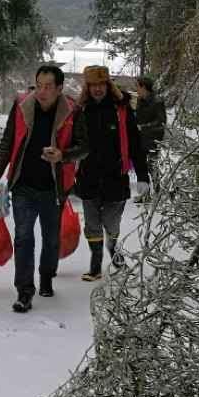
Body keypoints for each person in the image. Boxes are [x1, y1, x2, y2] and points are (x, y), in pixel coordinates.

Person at [0, 64, 87, 313]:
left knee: (51, 239)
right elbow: (8, 143)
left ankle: (46, 276)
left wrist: (62, 155)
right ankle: (24, 291)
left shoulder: (72, 111)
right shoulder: (22, 106)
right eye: (39, 85)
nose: (42, 91)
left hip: (54, 188)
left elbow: (84, 147)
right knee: (23, 237)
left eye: (48, 87)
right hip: (23, 185)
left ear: (60, 88)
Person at [75, 65, 149, 282]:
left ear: (108, 85)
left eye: (101, 84)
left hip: (115, 177)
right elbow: (70, 143)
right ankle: (95, 265)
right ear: (87, 88)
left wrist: (143, 176)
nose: (97, 89)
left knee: (111, 223)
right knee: (92, 224)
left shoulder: (121, 110)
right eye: (93, 85)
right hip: (88, 176)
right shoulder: (81, 111)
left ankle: (115, 255)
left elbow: (135, 144)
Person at [133, 75, 167, 194]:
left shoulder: (157, 101)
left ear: (144, 87)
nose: (136, 89)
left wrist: (144, 127)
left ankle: (158, 193)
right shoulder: (139, 100)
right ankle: (144, 194)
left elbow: (161, 121)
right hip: (140, 139)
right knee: (140, 167)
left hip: (153, 140)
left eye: (137, 86)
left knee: (153, 167)